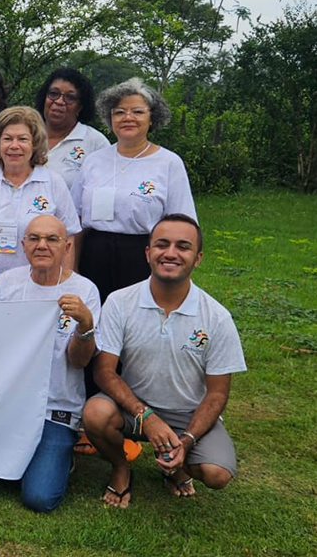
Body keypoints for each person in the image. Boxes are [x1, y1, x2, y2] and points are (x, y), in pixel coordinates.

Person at [82, 214, 245, 509]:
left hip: (188, 415)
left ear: (198, 258)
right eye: (161, 244)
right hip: (133, 408)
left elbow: (218, 393)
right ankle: (120, 467)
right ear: (148, 253)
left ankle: (178, 463)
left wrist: (188, 439)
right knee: (94, 413)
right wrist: (147, 417)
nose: (170, 253)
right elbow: (104, 372)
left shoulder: (217, 317)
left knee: (217, 473)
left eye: (183, 247)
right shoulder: (121, 301)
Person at [0, 215, 101, 512]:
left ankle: (61, 454)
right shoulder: (6, 284)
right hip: (8, 404)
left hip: (55, 409)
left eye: (52, 239)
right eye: (34, 238)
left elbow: (78, 361)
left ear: (67, 246)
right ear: (23, 245)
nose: (42, 245)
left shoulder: (84, 291)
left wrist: (85, 325)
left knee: (38, 497)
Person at [72, 77, 197, 302]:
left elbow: (183, 223)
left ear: (152, 118)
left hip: (142, 259)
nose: (128, 117)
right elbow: (74, 220)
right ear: (110, 118)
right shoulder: (93, 161)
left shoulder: (168, 163)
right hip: (93, 257)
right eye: (119, 112)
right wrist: (72, 268)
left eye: (137, 112)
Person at [0, 106, 80, 300]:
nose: (14, 146)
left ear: (35, 143)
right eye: (7, 139)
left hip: (36, 288)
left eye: (23, 139)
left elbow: (68, 237)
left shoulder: (53, 183)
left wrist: (65, 284)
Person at [34, 67, 110, 190]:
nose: (59, 101)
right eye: (54, 94)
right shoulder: (27, 134)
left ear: (80, 106)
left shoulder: (95, 143)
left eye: (70, 97)